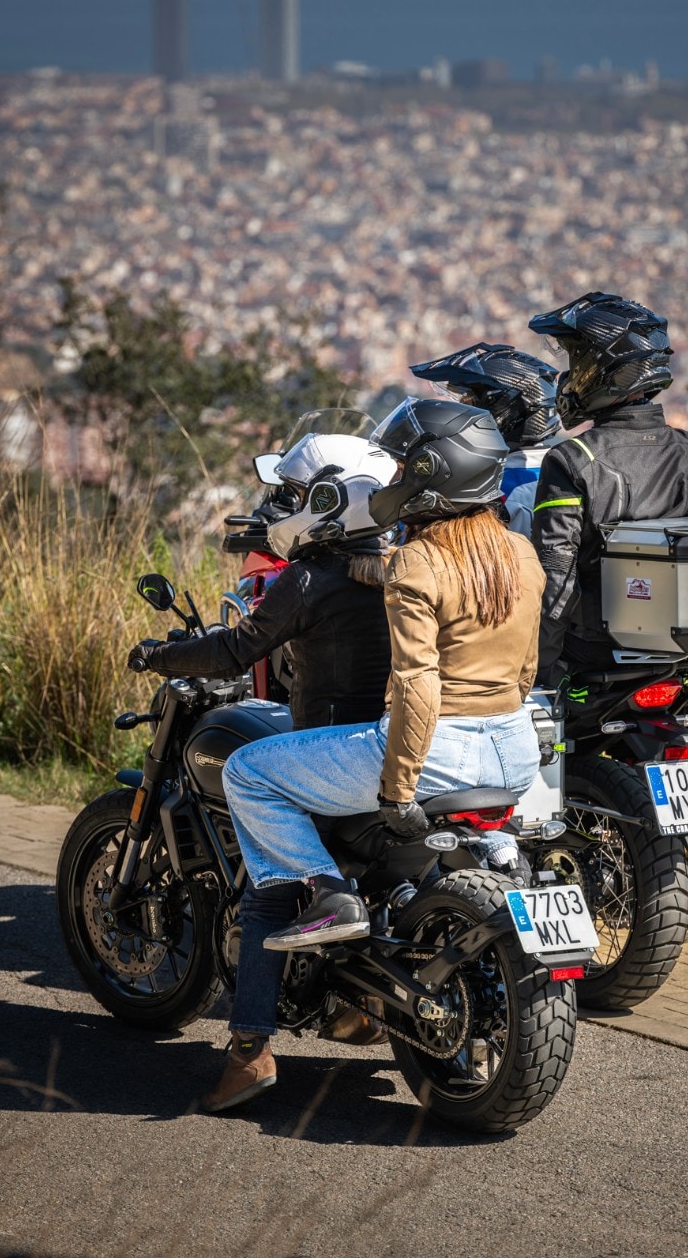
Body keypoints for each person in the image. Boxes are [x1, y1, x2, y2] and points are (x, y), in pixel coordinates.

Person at [214, 396, 546, 1092]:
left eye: (400, 468)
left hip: (436, 749)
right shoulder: (517, 552)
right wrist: (373, 569)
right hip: (514, 749)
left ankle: (327, 890)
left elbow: (419, 689)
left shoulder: (418, 559)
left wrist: (397, 789)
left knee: (248, 772)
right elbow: (524, 670)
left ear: (427, 477)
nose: (390, 480)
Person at [128, 432, 397, 1112]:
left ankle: (249, 1051)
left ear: (330, 501)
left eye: (294, 494)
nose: (282, 505)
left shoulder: (309, 579)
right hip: (401, 751)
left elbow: (235, 650)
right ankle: (355, 1006)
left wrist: (160, 655)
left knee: (266, 886)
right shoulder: (403, 568)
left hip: (330, 754)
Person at [528, 291, 688, 684]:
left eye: (577, 363)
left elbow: (555, 579)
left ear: (604, 370)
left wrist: (538, 670)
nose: (570, 377)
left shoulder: (571, 460)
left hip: (597, 653)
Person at [409, 342, 563, 537]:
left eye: (470, 403)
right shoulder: (559, 470)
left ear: (504, 411)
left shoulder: (498, 488)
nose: (463, 414)